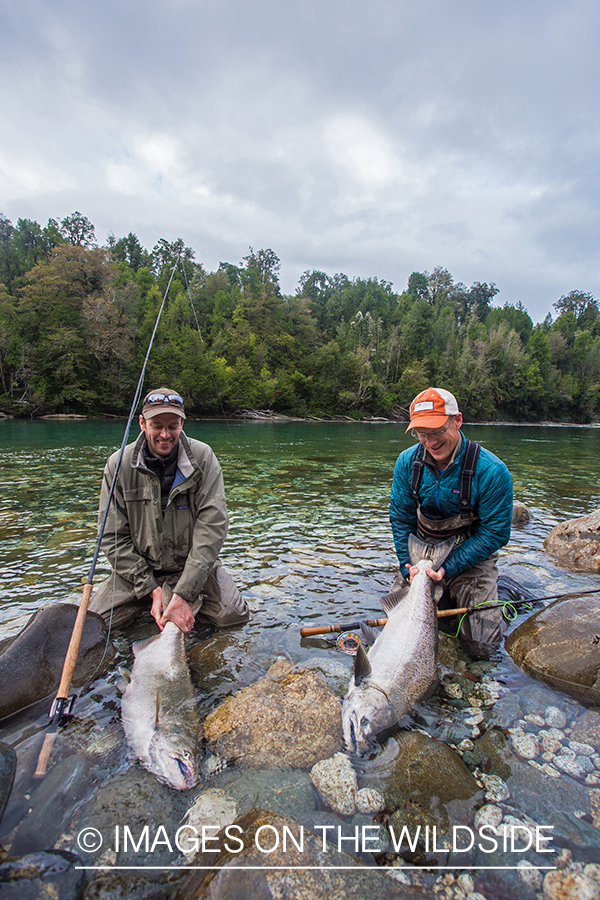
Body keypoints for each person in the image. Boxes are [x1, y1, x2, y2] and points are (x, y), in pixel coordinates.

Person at [89, 388, 249, 632]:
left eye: (173, 426)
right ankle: (152, 608)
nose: (165, 434)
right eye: (157, 425)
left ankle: (177, 611)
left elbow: (213, 528)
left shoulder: (203, 457)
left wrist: (184, 593)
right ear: (142, 423)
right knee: (94, 626)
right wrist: (149, 588)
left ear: (182, 424)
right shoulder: (118, 464)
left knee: (233, 617)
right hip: (137, 572)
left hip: (191, 568)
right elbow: (111, 537)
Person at [389, 387, 513, 659]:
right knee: (393, 635)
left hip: (472, 557)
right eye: (422, 433)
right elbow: (401, 517)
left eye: (437, 430)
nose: (430, 442)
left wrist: (448, 567)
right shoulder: (407, 463)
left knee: (482, 648)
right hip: (420, 555)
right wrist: (406, 566)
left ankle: (500, 591)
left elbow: (496, 533)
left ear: (457, 421)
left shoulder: (492, 472)